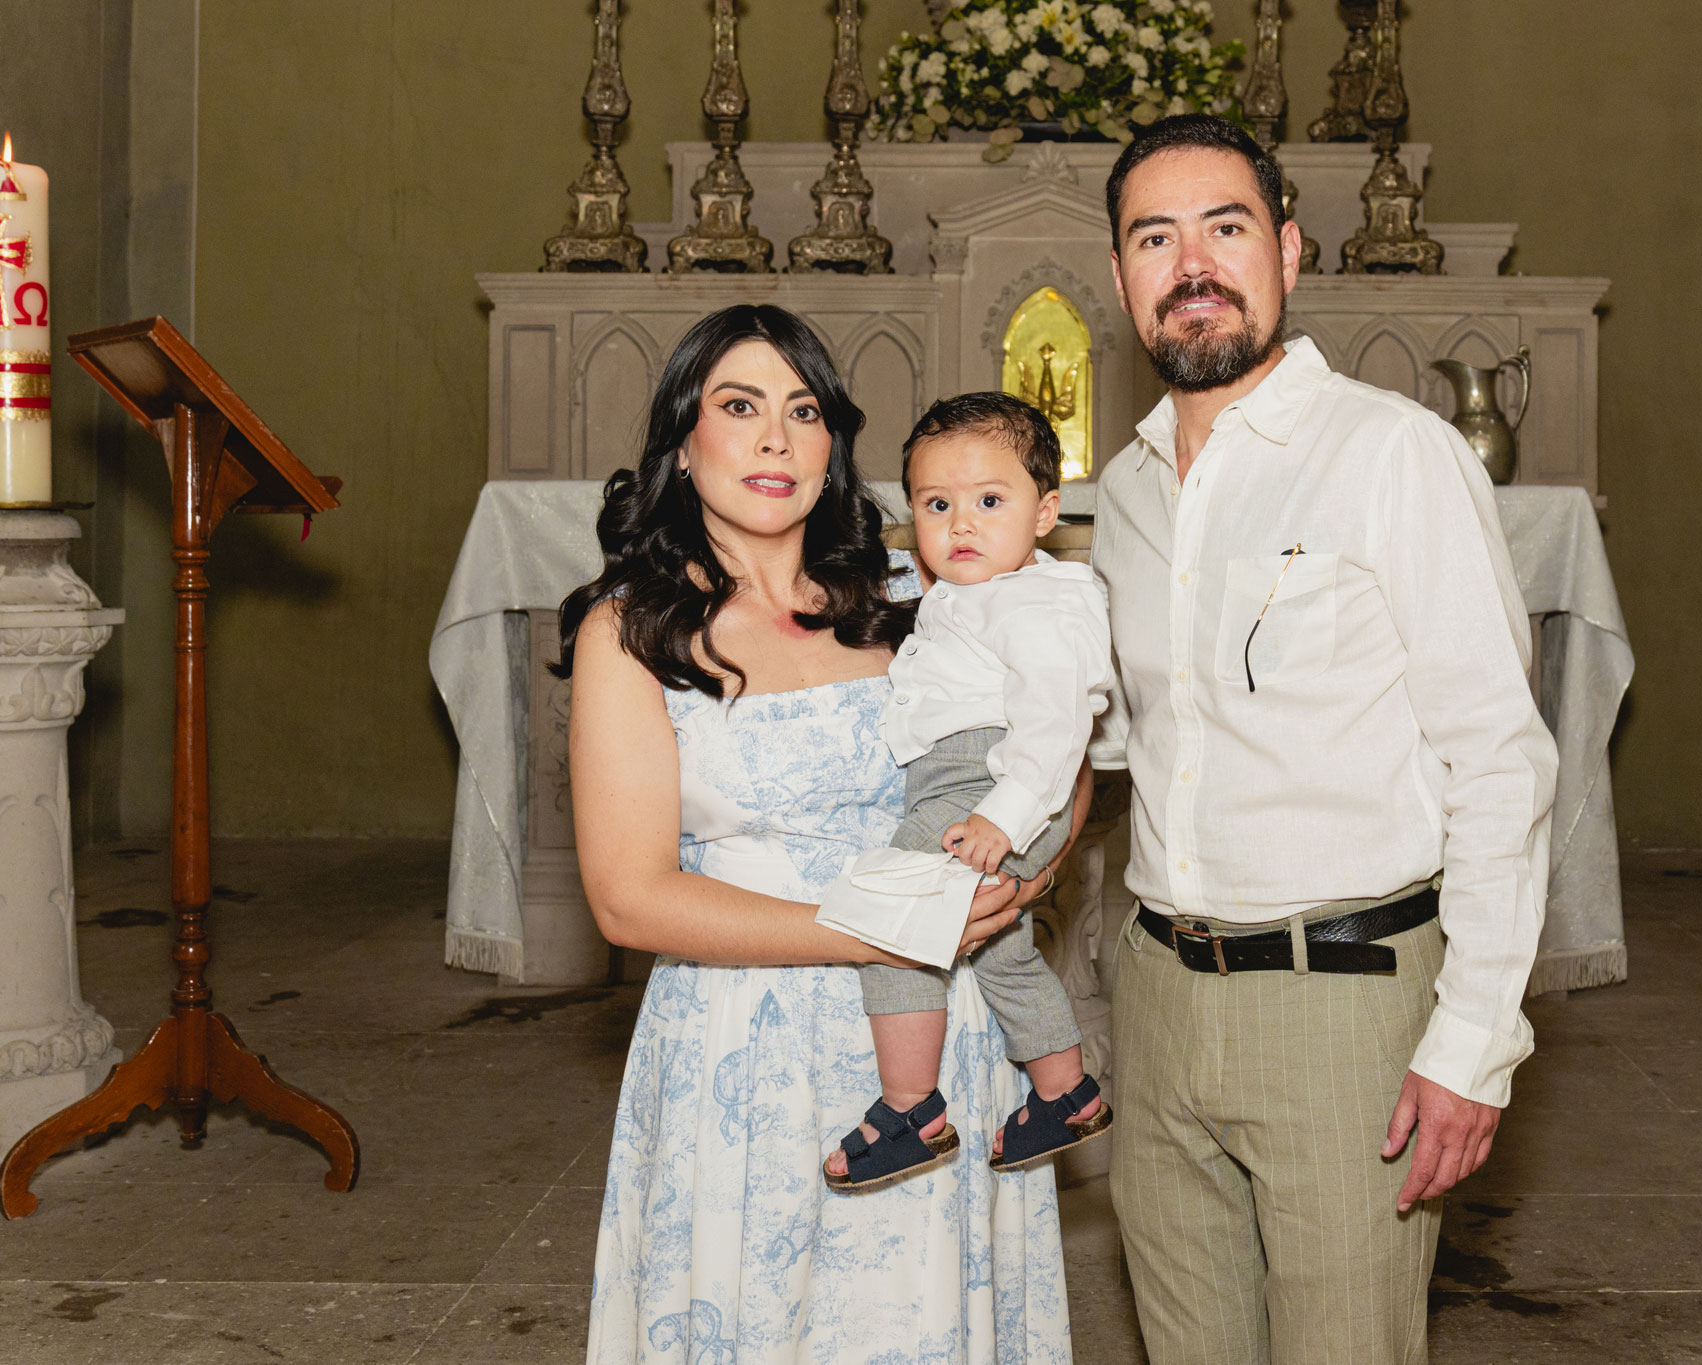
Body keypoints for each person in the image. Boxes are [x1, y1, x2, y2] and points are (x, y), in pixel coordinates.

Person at [1088, 115, 1560, 1363]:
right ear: (1120, 276)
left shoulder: (1390, 454)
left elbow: (1496, 760)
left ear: (1288, 251)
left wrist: (1471, 1044)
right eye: (1154, 238)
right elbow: (1120, 740)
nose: (1191, 265)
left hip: (1342, 1005)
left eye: (1225, 228)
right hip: (1158, 996)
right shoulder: (1124, 492)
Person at [558, 305, 1076, 1363]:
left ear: (832, 442)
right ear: (681, 440)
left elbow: (1060, 744)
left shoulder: (923, 593)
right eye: (738, 406)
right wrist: (877, 932)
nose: (774, 439)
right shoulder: (634, 630)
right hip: (746, 1043)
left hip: (940, 1019)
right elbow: (627, 898)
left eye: (802, 412)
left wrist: (1019, 882)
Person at [819, 393, 1114, 1191]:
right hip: (970, 779)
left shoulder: (1040, 603)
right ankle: (1066, 1091)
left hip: (992, 781)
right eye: (937, 505)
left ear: (1045, 511)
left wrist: (1002, 817)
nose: (961, 525)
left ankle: (910, 1108)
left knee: (895, 913)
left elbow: (1056, 725)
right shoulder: (973, 589)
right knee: (1002, 948)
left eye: (989, 501)